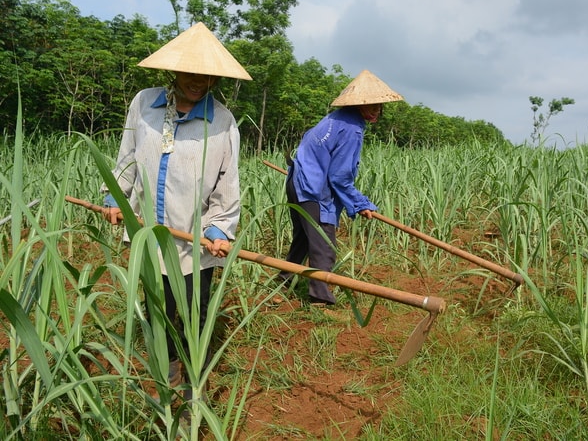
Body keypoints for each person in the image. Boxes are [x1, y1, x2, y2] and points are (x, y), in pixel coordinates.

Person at [101, 22, 252, 395]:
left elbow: (225, 187)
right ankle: (166, 368)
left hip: (192, 239)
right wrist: (116, 199)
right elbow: (127, 160)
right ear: (173, 69)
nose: (198, 81)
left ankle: (191, 372)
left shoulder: (222, 122)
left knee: (192, 312)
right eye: (189, 72)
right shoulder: (143, 105)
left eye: (207, 76)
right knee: (157, 305)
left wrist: (218, 230)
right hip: (147, 234)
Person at [277, 70, 403, 306]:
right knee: (324, 244)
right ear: (358, 104)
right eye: (372, 105)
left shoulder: (336, 118)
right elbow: (339, 177)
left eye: (379, 105)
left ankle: (284, 281)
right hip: (312, 189)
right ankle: (319, 299)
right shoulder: (352, 129)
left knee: (304, 239)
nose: (376, 110)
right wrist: (360, 203)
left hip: (297, 182)